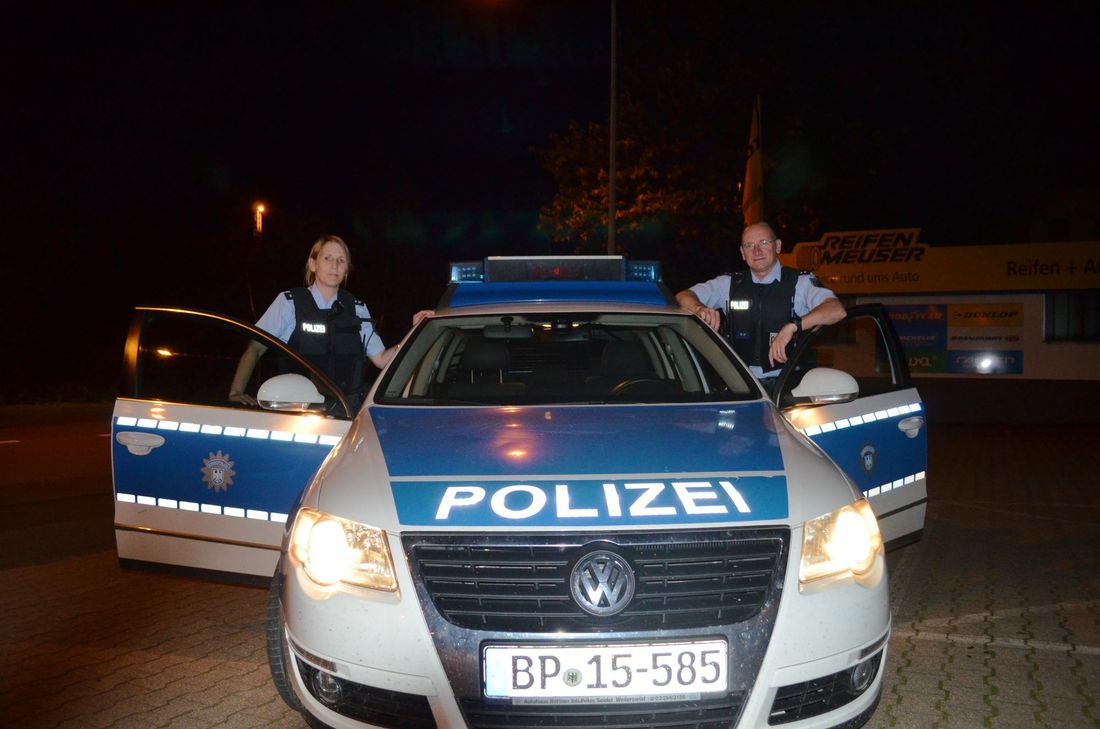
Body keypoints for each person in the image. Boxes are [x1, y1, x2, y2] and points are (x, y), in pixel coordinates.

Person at [228, 234, 432, 408]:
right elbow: (254, 349)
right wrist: (236, 392)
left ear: (347, 269)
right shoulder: (289, 303)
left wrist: (416, 331)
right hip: (298, 411)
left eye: (341, 260)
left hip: (346, 411)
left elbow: (381, 359)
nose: (334, 265)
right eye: (327, 258)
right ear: (313, 264)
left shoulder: (357, 307)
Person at [676, 221, 845, 387]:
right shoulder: (729, 283)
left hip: (789, 386)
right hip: (741, 386)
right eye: (749, 245)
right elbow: (683, 296)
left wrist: (793, 326)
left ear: (777, 246)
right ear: (742, 253)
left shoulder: (799, 282)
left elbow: (836, 310)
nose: (757, 251)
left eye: (763, 242)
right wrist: (699, 308)